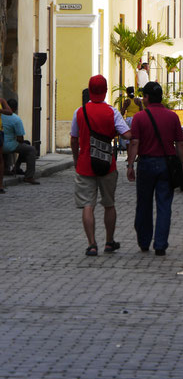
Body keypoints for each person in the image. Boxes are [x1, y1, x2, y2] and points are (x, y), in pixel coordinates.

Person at [70, 75, 132, 257]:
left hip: (84, 164)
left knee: (88, 205)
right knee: (109, 204)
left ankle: (91, 244)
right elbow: (127, 135)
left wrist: (76, 159)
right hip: (107, 164)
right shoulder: (112, 112)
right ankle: (109, 242)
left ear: (89, 90)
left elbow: (74, 139)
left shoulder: (79, 112)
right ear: (105, 91)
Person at [126, 81, 183, 257]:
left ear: (147, 98)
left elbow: (135, 142)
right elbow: (180, 143)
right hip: (166, 164)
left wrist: (130, 165)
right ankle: (160, 244)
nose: (142, 99)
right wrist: (180, 164)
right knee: (164, 205)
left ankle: (144, 241)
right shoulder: (172, 116)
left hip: (146, 163)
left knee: (144, 204)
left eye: (143, 96)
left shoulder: (140, 117)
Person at [1, 99, 39, 185]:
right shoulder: (15, 118)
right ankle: (29, 176)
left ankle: (8, 168)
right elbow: (20, 139)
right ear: (15, 109)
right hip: (9, 146)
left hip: (1, 143)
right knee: (30, 149)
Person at [0, 97, 13, 194]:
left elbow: (9, 111)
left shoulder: (1, 100)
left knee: (0, 159)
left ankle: (0, 185)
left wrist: (0, 110)